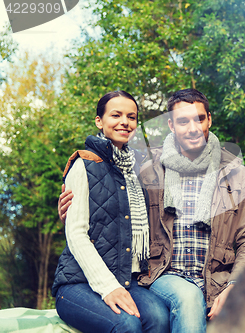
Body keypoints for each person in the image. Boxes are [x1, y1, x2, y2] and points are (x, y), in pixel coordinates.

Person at [59, 89, 245, 333]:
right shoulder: (149, 168)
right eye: (183, 121)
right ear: (171, 125)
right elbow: (111, 199)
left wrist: (235, 284)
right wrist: (70, 207)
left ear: (209, 119)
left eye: (199, 119)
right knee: (186, 299)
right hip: (162, 274)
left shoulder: (236, 173)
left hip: (216, 278)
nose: (192, 128)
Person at [52, 91, 169, 333]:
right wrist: (108, 287)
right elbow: (76, 234)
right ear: (99, 121)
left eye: (131, 116)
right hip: (78, 282)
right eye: (115, 115)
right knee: (127, 325)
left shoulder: (139, 169)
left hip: (128, 278)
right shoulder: (83, 164)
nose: (124, 122)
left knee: (159, 319)